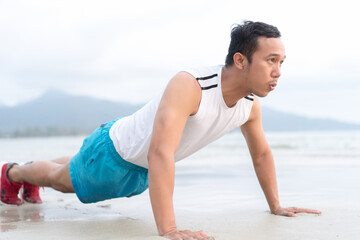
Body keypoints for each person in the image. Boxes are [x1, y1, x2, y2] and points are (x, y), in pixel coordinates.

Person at [0, 21, 321, 240]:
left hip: (139, 165)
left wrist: (276, 206)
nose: (278, 72)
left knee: (72, 165)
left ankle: (28, 176)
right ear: (240, 60)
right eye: (271, 60)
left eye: (282, 61)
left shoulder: (249, 105)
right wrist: (168, 229)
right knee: (62, 181)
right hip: (115, 156)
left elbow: (261, 153)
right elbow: (160, 151)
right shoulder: (192, 86)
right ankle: (12, 173)